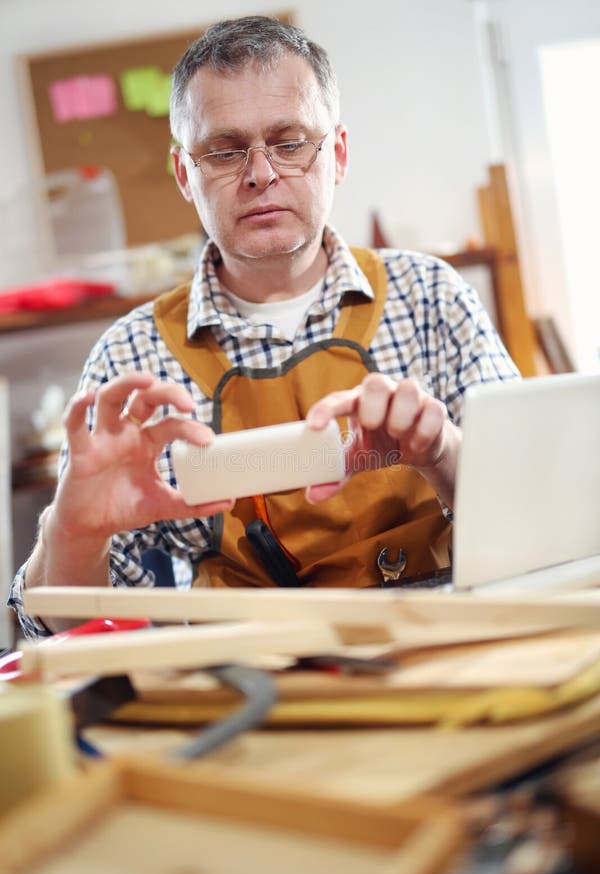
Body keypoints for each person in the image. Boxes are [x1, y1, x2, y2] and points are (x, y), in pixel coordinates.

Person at [9, 15, 519, 639]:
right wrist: (73, 529)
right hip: (255, 696)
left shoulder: (432, 299)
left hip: (451, 653)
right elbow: (64, 628)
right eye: (223, 151)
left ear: (337, 154)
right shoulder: (129, 361)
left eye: (289, 140)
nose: (260, 173)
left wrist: (442, 453)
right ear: (184, 175)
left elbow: (535, 532)